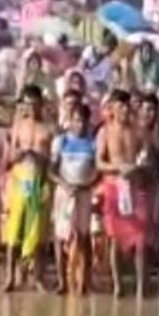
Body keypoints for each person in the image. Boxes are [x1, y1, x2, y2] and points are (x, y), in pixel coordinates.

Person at [98, 91, 152, 296]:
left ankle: (140, 287)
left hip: (136, 187)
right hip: (114, 186)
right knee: (114, 238)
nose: (123, 111)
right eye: (119, 107)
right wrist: (117, 167)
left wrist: (139, 165)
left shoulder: (138, 132)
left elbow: (146, 158)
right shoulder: (105, 132)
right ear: (111, 109)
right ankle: (118, 285)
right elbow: (99, 162)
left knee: (140, 238)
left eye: (126, 107)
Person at [2, 85, 54, 292]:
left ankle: (38, 276)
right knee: (14, 230)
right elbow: (8, 159)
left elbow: (52, 160)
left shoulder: (48, 129)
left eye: (35, 104)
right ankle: (11, 276)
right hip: (20, 178)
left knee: (38, 231)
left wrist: (38, 155)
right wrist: (22, 154)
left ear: (41, 104)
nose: (31, 109)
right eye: (27, 105)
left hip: (40, 179)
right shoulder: (17, 127)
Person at [50, 102, 98, 295]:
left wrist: (87, 184)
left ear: (88, 122)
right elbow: (51, 171)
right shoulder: (61, 141)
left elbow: (98, 171)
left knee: (84, 236)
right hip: (64, 193)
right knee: (60, 237)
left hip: (84, 193)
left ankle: (84, 282)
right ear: (69, 121)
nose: (79, 125)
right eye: (76, 120)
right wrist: (64, 184)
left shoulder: (92, 143)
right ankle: (62, 281)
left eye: (83, 121)